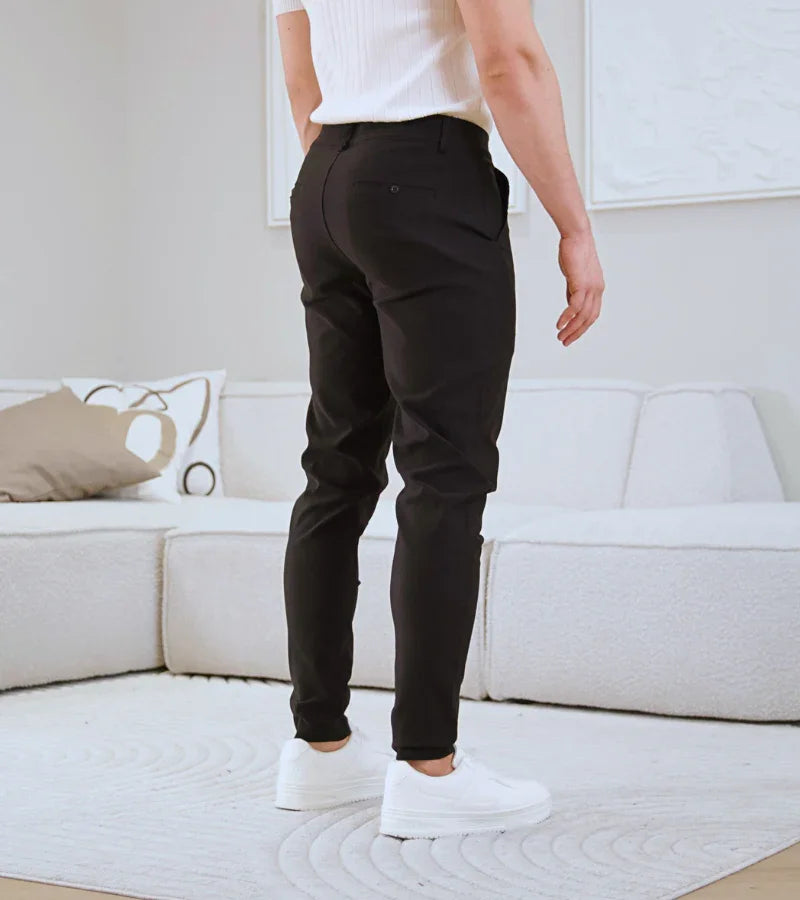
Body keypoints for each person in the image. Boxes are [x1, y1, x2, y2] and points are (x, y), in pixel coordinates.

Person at [272, 0, 605, 839]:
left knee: (337, 468)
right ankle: (429, 765)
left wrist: (344, 194)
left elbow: (300, 67)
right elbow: (508, 61)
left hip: (324, 177)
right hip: (424, 171)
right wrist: (574, 227)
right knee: (444, 473)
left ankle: (318, 748)